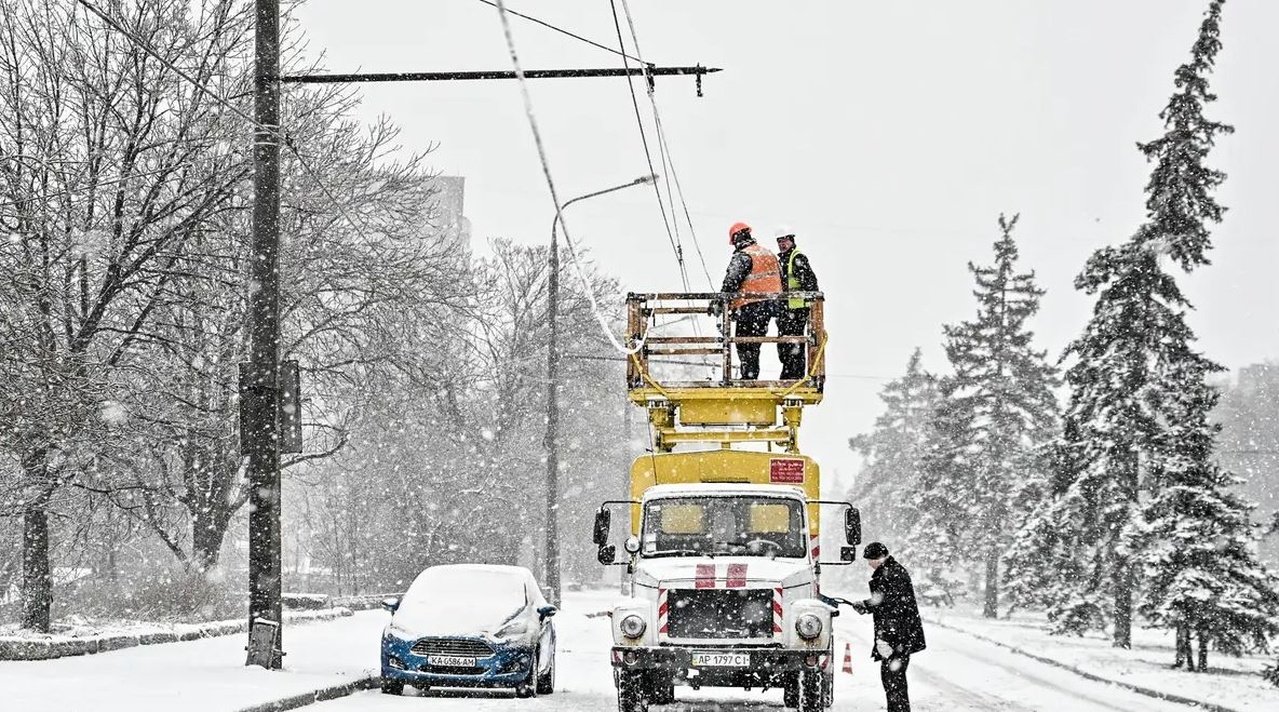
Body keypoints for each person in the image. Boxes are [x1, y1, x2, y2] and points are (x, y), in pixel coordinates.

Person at [851, 542, 925, 712]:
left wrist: (886, 638)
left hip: (897, 637)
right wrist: (866, 605)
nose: (869, 563)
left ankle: (898, 710)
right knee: (892, 678)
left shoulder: (892, 574)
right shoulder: (892, 572)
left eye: (870, 559)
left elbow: (891, 606)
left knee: (893, 678)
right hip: (899, 635)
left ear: (879, 558)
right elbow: (886, 603)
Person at [718, 222, 781, 381]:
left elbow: (731, 281)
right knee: (754, 344)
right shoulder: (767, 253)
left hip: (749, 307)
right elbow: (782, 279)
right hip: (769, 307)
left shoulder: (744, 256)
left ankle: (748, 376)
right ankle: (750, 375)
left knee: (743, 342)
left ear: (736, 240)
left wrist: (720, 302)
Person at [773, 226, 819, 380]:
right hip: (785, 310)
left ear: (791, 241)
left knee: (794, 344)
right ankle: (788, 373)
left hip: (797, 309)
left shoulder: (797, 258)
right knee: (784, 344)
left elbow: (811, 283)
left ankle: (795, 375)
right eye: (779, 241)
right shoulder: (782, 260)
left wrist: (807, 303)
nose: (782, 244)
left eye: (784, 240)